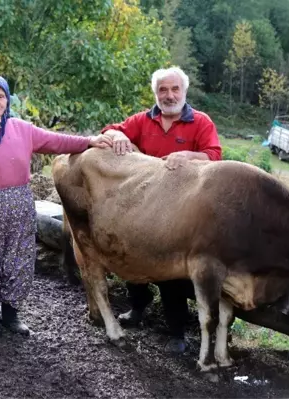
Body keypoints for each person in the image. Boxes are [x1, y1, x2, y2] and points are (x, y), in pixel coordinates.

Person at [0, 74, 112, 337]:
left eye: (0, 96)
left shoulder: (22, 129)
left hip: (19, 205)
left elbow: (56, 141)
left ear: (7, 100)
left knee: (18, 261)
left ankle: (11, 315)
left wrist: (88, 141)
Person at [101, 66, 222, 353]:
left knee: (172, 274)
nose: (169, 95)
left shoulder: (201, 122)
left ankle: (177, 331)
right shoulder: (143, 119)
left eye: (174, 89)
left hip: (182, 212)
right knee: (132, 258)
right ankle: (138, 308)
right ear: (155, 93)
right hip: (143, 207)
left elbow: (215, 157)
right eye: (162, 90)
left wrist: (190, 156)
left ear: (184, 91)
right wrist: (118, 135)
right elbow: (109, 129)